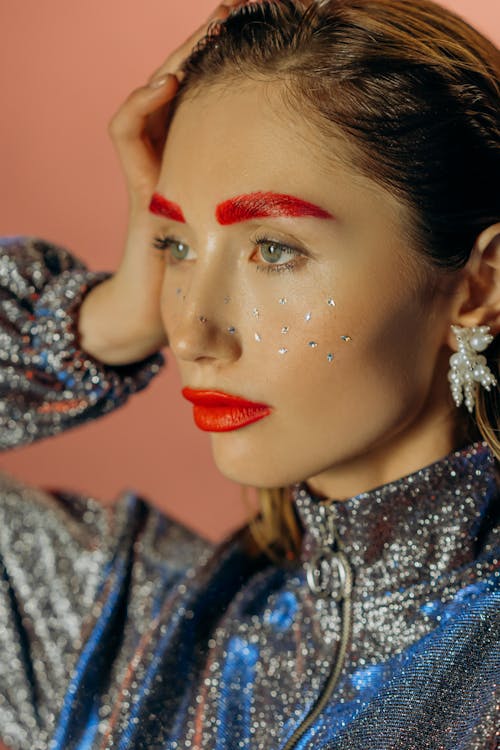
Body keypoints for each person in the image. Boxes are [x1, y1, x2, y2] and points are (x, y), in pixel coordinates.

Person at [0, 0, 499, 747]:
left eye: (273, 249)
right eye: (175, 246)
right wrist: (100, 320)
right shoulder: (119, 633)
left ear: (478, 286)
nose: (192, 331)